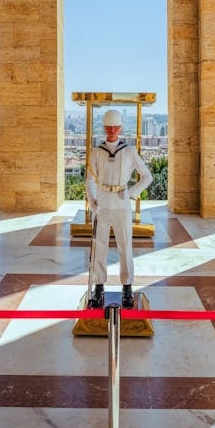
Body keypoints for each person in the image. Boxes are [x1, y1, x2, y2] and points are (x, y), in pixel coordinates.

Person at [85, 108, 152, 308]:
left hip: (122, 203)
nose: (113, 129)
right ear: (104, 127)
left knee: (125, 246)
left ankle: (127, 287)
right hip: (103, 203)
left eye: (116, 126)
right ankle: (99, 286)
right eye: (109, 126)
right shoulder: (96, 152)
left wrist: (131, 193)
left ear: (121, 127)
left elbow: (147, 176)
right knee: (100, 247)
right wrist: (93, 203)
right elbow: (89, 181)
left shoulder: (129, 152)